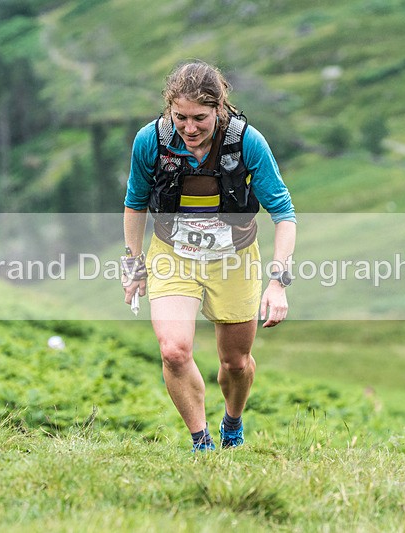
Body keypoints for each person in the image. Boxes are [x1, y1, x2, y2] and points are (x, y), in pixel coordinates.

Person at [122, 60, 296, 452]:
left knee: (236, 362)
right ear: (169, 109)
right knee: (174, 350)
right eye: (180, 117)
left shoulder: (247, 142)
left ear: (220, 109)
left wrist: (277, 283)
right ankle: (202, 443)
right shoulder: (150, 140)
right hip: (172, 256)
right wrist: (134, 265)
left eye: (200, 117)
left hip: (233, 259)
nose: (189, 128)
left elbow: (284, 215)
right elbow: (134, 204)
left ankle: (231, 424)